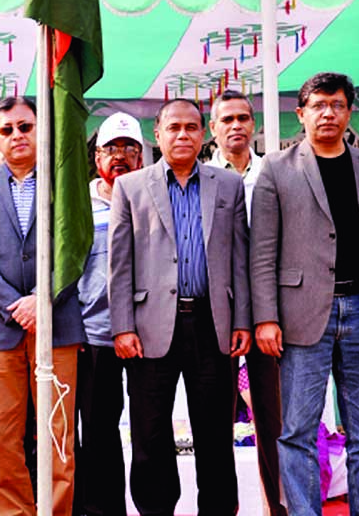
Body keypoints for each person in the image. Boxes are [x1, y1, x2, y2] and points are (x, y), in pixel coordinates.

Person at [250, 72, 359, 515]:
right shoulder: (276, 168)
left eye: (337, 105)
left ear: (349, 113)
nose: (327, 113)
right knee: (297, 432)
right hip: (300, 314)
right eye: (318, 105)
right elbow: (262, 251)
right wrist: (266, 317)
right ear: (301, 114)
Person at [108, 98, 251, 515]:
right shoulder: (131, 187)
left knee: (214, 436)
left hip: (213, 323)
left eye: (191, 127)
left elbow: (239, 259)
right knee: (150, 437)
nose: (183, 134)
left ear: (204, 133)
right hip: (150, 328)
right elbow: (120, 264)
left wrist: (241, 318)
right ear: (158, 134)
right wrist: (123, 326)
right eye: (174, 128)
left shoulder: (227, 185)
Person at [0, 96, 85, 516]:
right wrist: (17, 304)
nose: (18, 136)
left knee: (58, 431)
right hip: (0, 329)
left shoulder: (65, 183)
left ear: (40, 129)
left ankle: (57, 510)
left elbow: (75, 248)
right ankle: (15, 511)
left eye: (26, 127)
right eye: (8, 130)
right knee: (6, 434)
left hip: (59, 324)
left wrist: (43, 301)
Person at [207, 90, 287, 516]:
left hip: (270, 315)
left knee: (274, 423)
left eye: (242, 118)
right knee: (215, 420)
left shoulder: (276, 173)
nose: (235, 126)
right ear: (213, 128)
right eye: (226, 119)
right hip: (215, 317)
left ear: (253, 124)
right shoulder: (199, 178)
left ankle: (279, 507)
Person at [75, 112, 143, 516]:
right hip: (95, 334)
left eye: (128, 149)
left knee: (149, 432)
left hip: (148, 334)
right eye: (110, 149)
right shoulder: (79, 204)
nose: (119, 157)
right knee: (98, 430)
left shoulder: (155, 196)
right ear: (96, 156)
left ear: (141, 155)